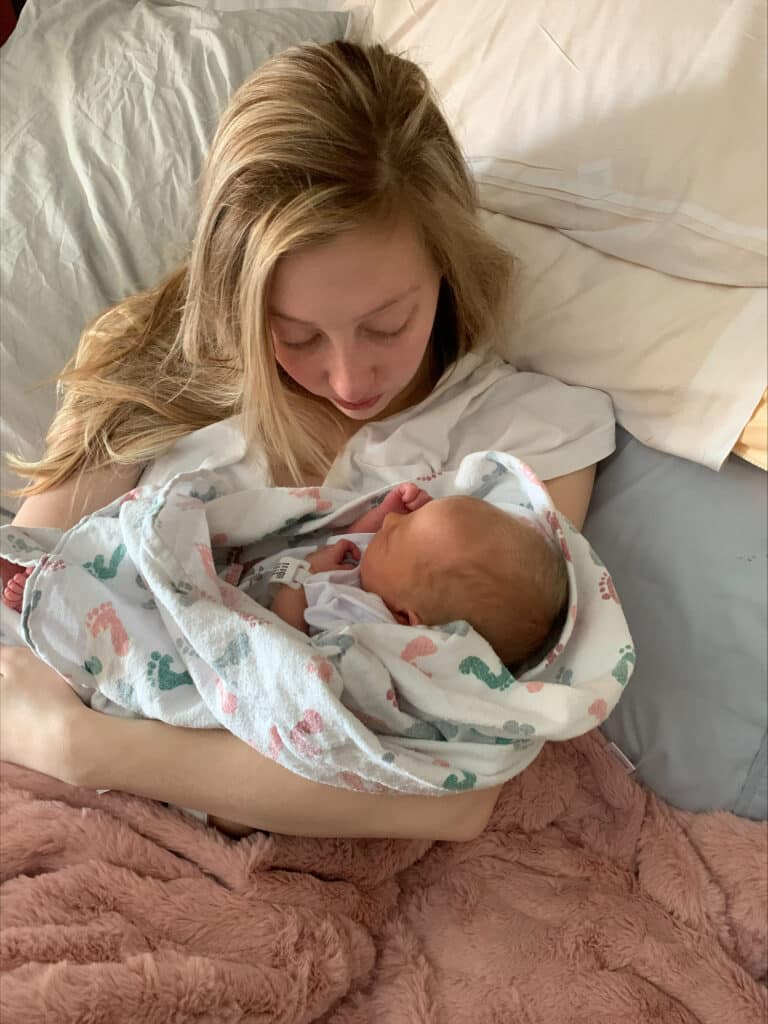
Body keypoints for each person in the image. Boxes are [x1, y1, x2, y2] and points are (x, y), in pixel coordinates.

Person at [0, 41, 614, 840]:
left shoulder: (530, 438)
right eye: (294, 335)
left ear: (446, 263)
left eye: (387, 324)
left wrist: (85, 748)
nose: (351, 378)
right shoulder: (145, 371)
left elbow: (459, 791)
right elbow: (28, 609)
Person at [270, 482, 569, 673]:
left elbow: (285, 640)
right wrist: (390, 513)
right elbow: (355, 547)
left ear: (401, 617)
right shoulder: (392, 583)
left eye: (390, 536)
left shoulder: (359, 627)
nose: (388, 521)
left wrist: (305, 574)